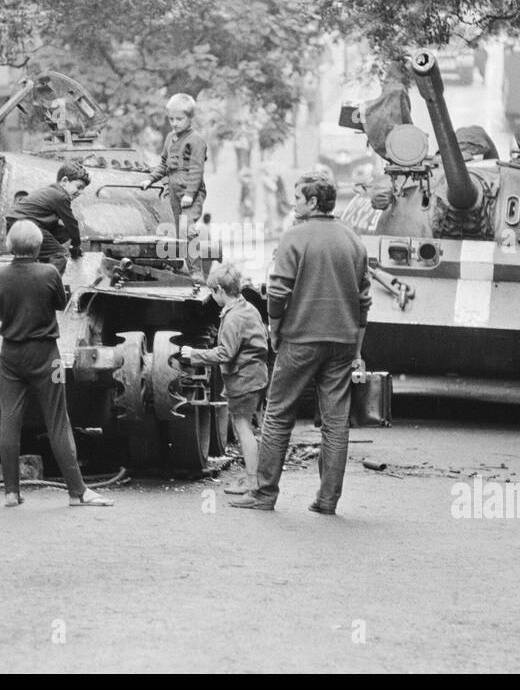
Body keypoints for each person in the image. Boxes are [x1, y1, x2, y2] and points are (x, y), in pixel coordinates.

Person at [230, 171, 371, 514]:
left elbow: (278, 292)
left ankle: (264, 495)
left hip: (300, 339)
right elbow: (364, 300)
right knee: (336, 421)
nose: (293, 203)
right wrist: (357, 348)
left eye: (297, 198)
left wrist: (274, 328)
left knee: (278, 414)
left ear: (311, 202)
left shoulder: (295, 237)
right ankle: (327, 501)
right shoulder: (353, 240)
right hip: (342, 341)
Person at [0, 220, 112, 508]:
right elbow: (60, 303)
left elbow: (0, 310)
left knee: (9, 420)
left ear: (10, 245)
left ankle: (10, 492)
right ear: (37, 246)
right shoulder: (48, 272)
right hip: (47, 356)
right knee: (58, 420)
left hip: (10, 355)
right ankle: (77, 492)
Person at [180, 263, 269, 494]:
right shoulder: (248, 308)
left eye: (212, 291)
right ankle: (254, 476)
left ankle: (253, 482)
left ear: (219, 289)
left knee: (242, 428)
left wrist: (194, 354)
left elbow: (225, 352)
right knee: (248, 427)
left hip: (244, 380)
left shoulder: (232, 318)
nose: (212, 296)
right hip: (255, 376)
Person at [4, 161, 91, 274]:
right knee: (60, 255)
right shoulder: (61, 197)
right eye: (79, 187)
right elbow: (72, 224)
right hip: (27, 227)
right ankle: (46, 283)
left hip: (15, 227)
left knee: (63, 232)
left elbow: (66, 229)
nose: (80, 192)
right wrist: (76, 247)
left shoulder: (49, 191)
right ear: (64, 181)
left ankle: (42, 260)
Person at [145, 93, 207, 240]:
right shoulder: (169, 138)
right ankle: (182, 261)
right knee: (177, 230)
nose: (174, 123)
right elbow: (163, 164)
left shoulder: (196, 140)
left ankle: (194, 262)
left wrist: (190, 194)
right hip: (174, 190)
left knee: (187, 229)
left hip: (190, 190)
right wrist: (150, 179)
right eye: (171, 119)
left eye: (179, 119)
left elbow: (196, 169)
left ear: (190, 118)